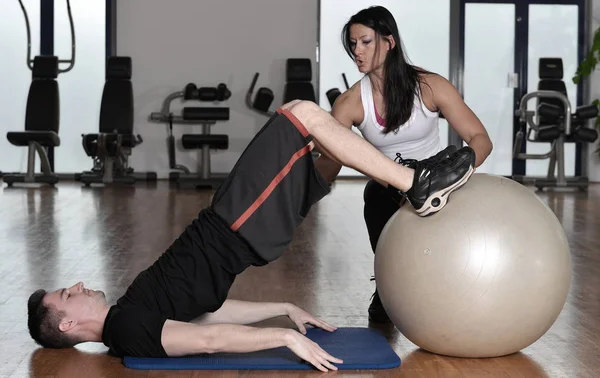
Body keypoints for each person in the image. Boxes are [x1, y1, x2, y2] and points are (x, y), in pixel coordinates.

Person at [27, 99, 476, 372]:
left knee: (321, 166)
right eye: (69, 294)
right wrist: (283, 339)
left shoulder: (131, 316)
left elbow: (206, 316)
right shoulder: (124, 328)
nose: (80, 285)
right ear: (68, 324)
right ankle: (415, 184)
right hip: (237, 222)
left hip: (244, 228)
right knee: (299, 114)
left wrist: (283, 310)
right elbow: (209, 342)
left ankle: (406, 176)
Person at [315, 5, 493, 323]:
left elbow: (480, 138)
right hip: (391, 186)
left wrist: (458, 173)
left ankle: (454, 284)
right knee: (374, 193)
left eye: (365, 42)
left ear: (389, 41)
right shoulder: (351, 102)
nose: (357, 51)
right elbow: (329, 164)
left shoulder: (429, 86)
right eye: (353, 44)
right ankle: (387, 286)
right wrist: (297, 190)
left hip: (439, 179)